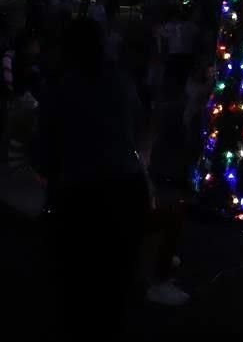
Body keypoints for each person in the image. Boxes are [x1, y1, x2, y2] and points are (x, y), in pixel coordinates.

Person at [39, 18, 149, 339]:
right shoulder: (121, 83)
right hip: (123, 191)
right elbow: (140, 128)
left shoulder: (60, 90)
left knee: (78, 283)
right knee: (113, 282)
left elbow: (44, 152)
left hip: (81, 196)